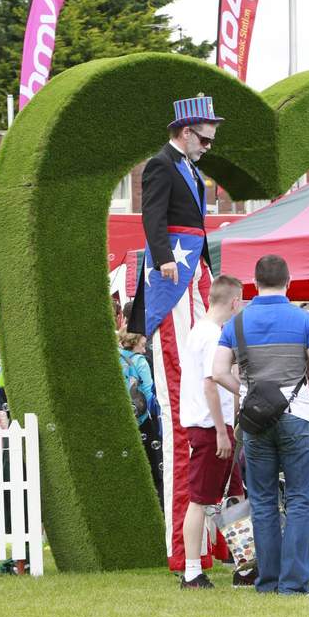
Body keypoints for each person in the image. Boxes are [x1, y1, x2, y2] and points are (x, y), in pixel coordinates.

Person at [213, 255, 309, 596]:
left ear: (254, 284)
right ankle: (294, 582)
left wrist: (246, 391)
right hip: (299, 418)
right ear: (288, 282)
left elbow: (217, 371)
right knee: (302, 500)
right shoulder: (305, 320)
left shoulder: (238, 324)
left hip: (256, 422)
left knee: (262, 501)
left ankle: (268, 580)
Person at [127, 94, 223, 572]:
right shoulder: (161, 165)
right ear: (185, 131)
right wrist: (164, 257)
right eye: (204, 137)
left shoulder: (188, 167)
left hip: (193, 278)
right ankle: (185, 547)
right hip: (174, 280)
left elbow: (200, 228)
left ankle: (213, 540)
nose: (209, 145)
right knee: (183, 414)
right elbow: (152, 216)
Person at [179, 275, 245, 589]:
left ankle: (245, 564)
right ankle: (192, 571)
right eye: (241, 301)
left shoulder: (199, 331)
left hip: (210, 424)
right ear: (234, 302)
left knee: (233, 495)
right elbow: (211, 383)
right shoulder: (212, 335)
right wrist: (221, 430)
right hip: (209, 427)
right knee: (201, 499)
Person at [118, 328, 163, 506]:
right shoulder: (140, 362)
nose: (145, 350)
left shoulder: (116, 357)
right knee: (154, 465)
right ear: (134, 342)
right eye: (143, 345)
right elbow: (149, 394)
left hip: (124, 418)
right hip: (143, 420)